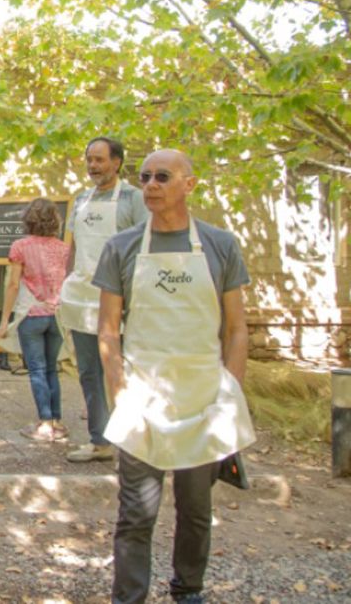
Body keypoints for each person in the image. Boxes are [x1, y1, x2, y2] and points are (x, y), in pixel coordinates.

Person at [96, 149, 255, 604]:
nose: (150, 185)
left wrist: (231, 392)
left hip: (203, 395)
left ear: (190, 184)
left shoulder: (220, 244)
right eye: (144, 176)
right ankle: (129, 597)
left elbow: (237, 328)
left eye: (162, 176)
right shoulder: (121, 247)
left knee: (197, 509)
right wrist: (118, 390)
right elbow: (108, 329)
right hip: (142, 397)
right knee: (135, 514)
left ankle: (188, 591)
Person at [58, 136, 148, 463]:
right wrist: (65, 281)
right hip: (82, 296)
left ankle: (136, 441)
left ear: (117, 163)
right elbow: (76, 248)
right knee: (89, 371)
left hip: (120, 297)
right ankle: (100, 441)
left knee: (124, 369)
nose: (93, 166)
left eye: (100, 160)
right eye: (90, 160)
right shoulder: (81, 200)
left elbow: (145, 248)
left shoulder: (133, 199)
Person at [0, 198, 71, 443]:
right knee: (52, 369)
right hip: (57, 315)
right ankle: (57, 421)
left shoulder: (20, 246)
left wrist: (4, 320)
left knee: (36, 370)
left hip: (31, 314)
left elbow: (12, 284)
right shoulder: (64, 248)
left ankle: (45, 422)